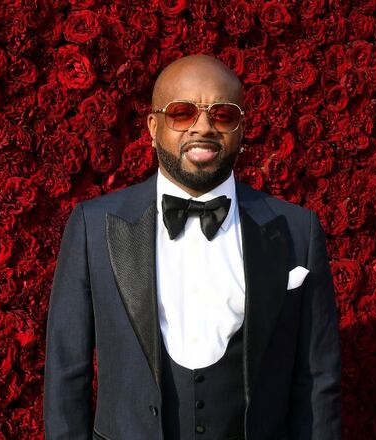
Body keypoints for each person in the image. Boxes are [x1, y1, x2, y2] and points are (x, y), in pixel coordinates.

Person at [43, 54, 341, 440]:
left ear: (242, 127)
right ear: (153, 126)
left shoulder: (298, 230)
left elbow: (318, 378)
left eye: (223, 114)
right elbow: (67, 372)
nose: (203, 127)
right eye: (182, 113)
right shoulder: (92, 226)